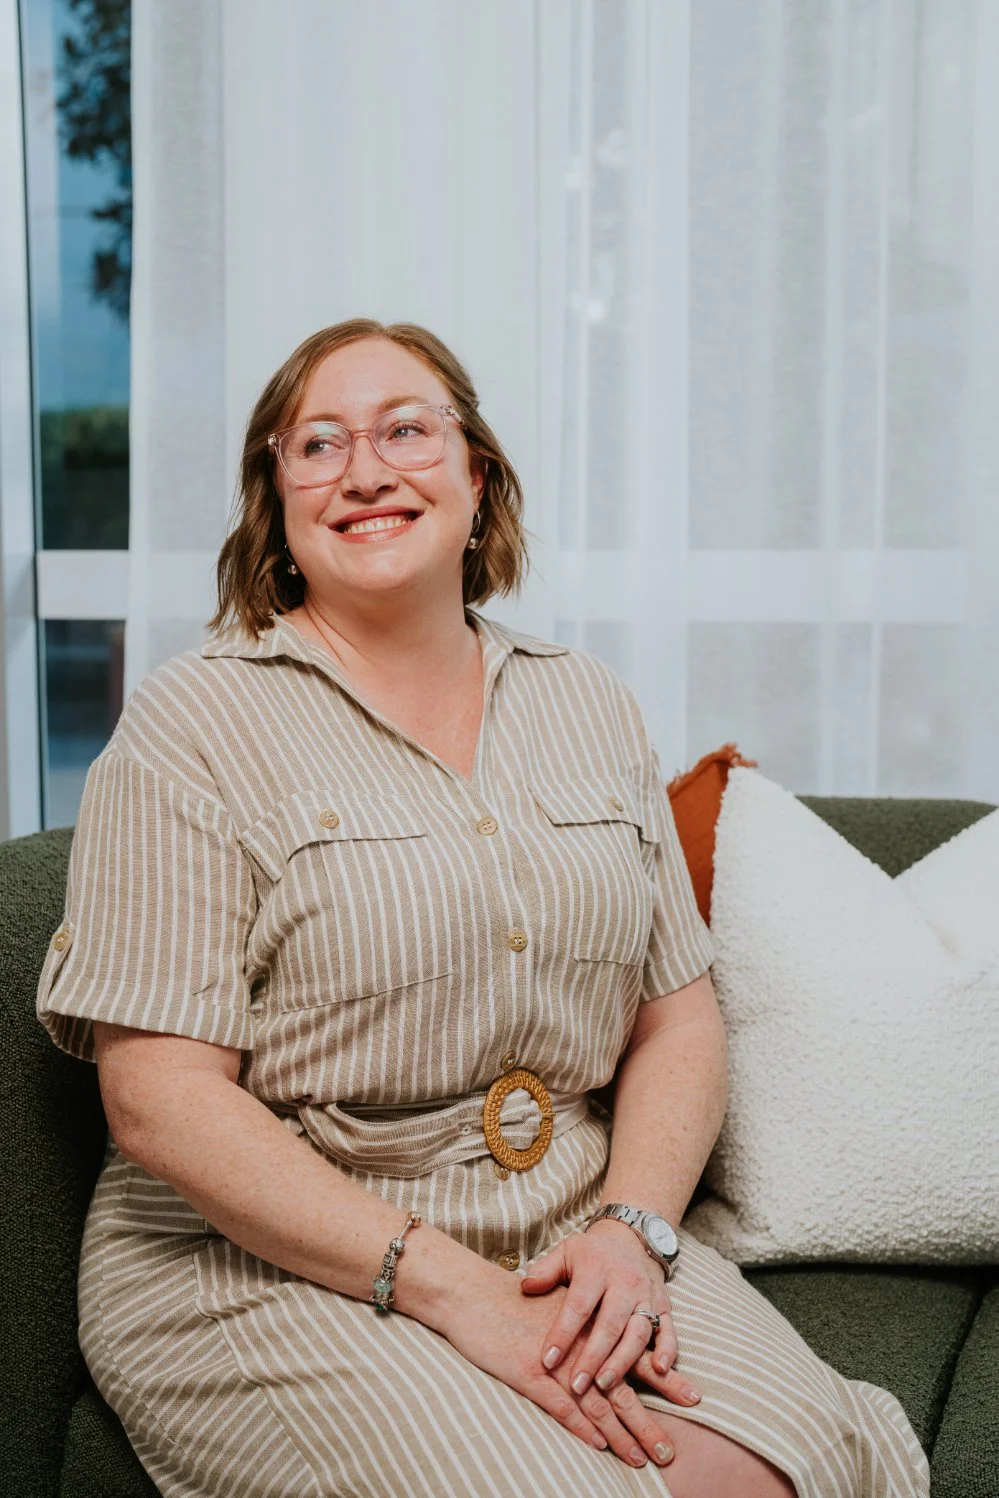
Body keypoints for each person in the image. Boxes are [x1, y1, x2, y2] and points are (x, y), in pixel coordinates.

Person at [37, 318, 928, 1498]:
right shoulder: (187, 728)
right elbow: (157, 1101)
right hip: (269, 1260)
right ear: (277, 499)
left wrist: (634, 1231)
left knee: (805, 1470)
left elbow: (678, 1020)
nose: (365, 470)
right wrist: (452, 1288)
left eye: (406, 429)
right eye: (317, 445)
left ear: (476, 473)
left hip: (569, 1219)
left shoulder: (589, 703)